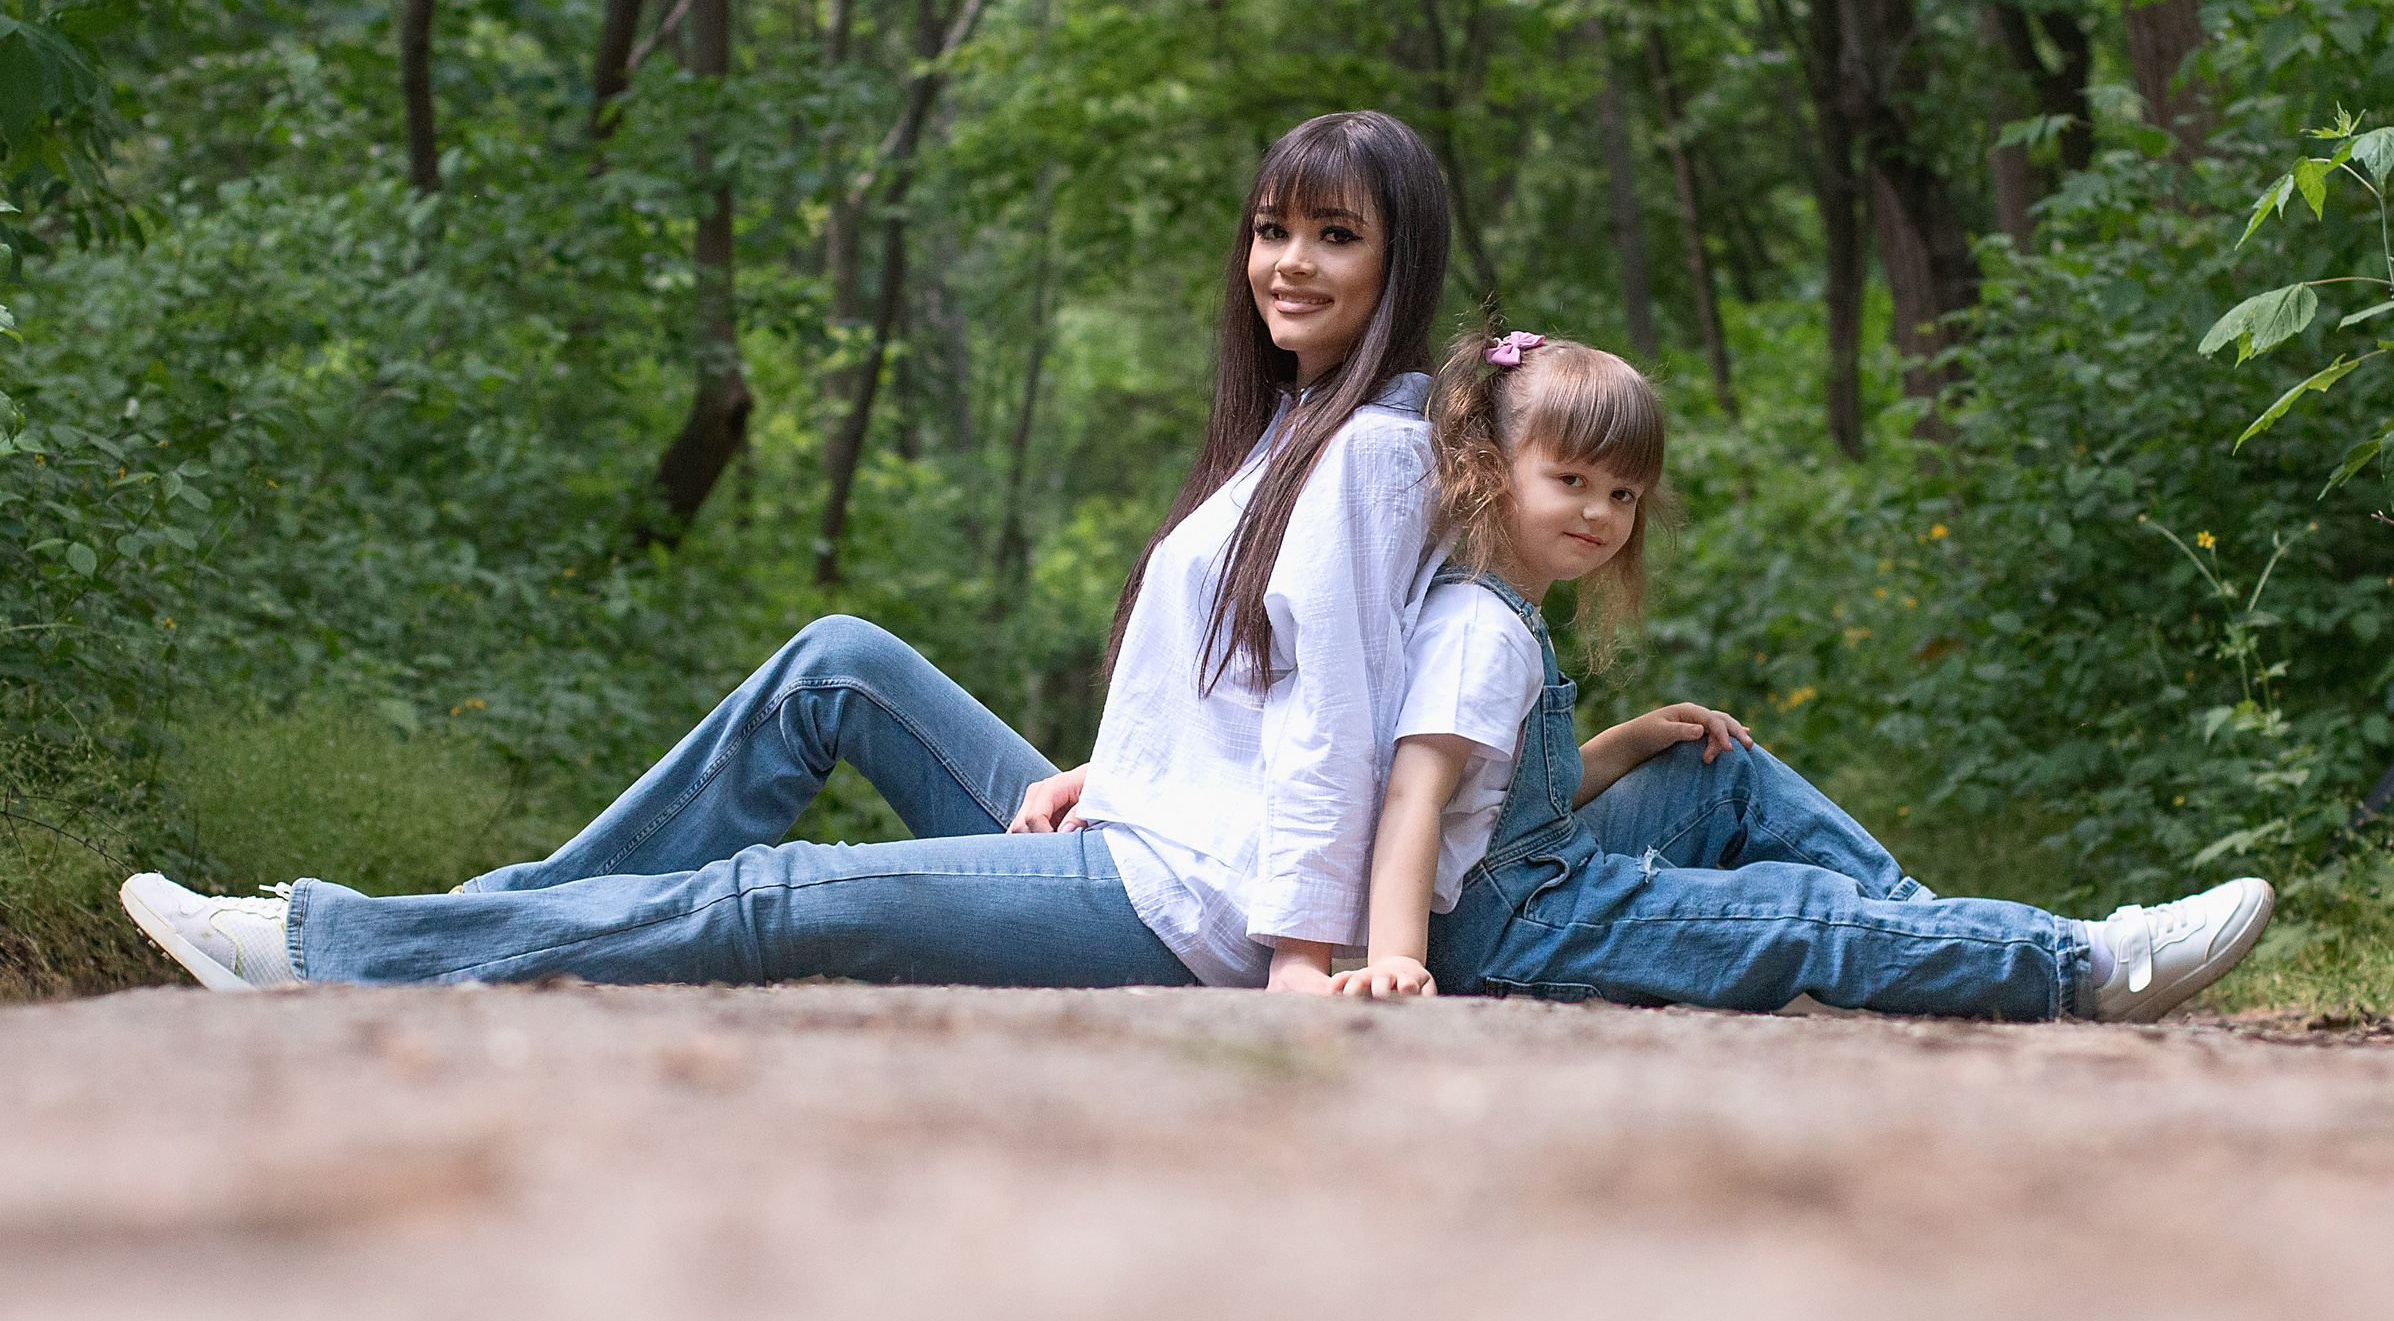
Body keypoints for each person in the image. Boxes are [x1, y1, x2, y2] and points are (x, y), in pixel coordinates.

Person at [120, 110, 1453, 994]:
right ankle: (479, 919)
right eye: (1273, 229)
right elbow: (1255, 687)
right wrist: (1121, 770)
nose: (1289, 262)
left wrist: (1297, 961)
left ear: (1399, 265)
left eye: (1335, 236)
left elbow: (1339, 718)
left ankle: (335, 947)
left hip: (1193, 907)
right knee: (840, 663)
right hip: (1148, 832)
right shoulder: (1289, 428)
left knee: (786, 892)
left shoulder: (1371, 453)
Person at [1330, 327, 2272, 1021]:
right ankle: (2086, 964)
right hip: (1515, 931)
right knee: (1797, 913)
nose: (1600, 513)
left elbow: (1500, 799)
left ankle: (1932, 932)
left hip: (1530, 880)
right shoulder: (1480, 631)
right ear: (1493, 469)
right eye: (1569, 480)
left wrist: (1630, 741)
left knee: (1721, 772)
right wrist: (1402, 963)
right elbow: (1416, 796)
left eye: (1622, 493)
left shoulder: (1501, 609)